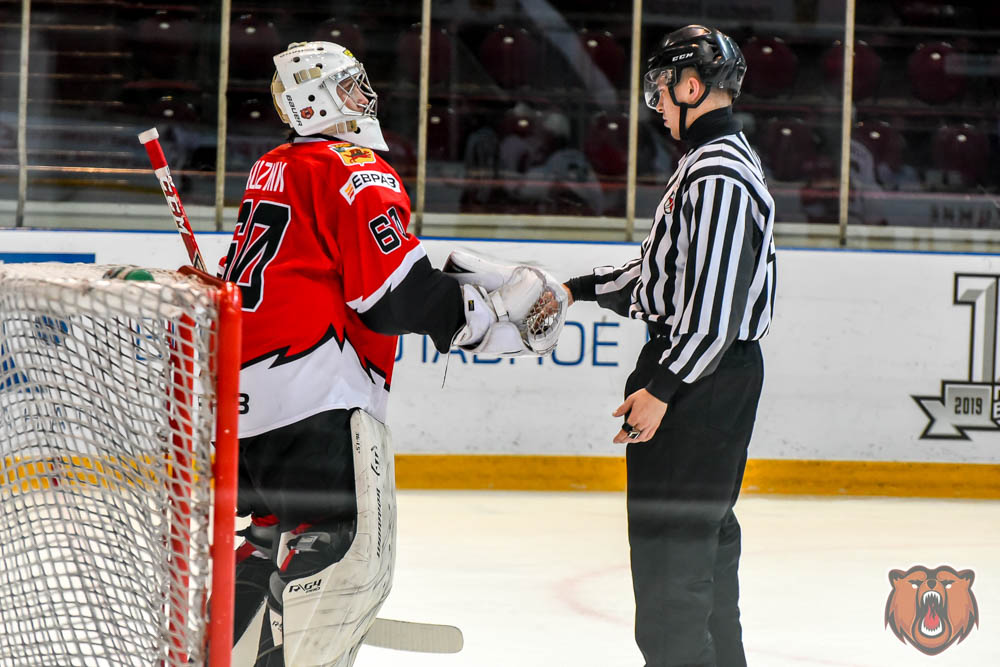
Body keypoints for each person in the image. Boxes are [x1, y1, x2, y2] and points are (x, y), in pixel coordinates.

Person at [218, 41, 562, 667]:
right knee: (337, 544)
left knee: (268, 538)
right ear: (314, 100)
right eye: (348, 86)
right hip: (312, 400)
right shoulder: (354, 167)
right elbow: (392, 295)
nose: (363, 97)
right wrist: (480, 323)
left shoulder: (271, 165)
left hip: (242, 411)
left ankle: (245, 639)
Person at [562, 25, 776, 667]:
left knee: (670, 571)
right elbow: (669, 278)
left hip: (697, 377)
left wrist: (661, 389)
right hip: (701, 371)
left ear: (691, 85)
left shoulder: (717, 173)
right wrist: (573, 290)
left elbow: (713, 311)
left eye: (661, 88)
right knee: (701, 554)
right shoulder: (715, 163)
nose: (656, 102)